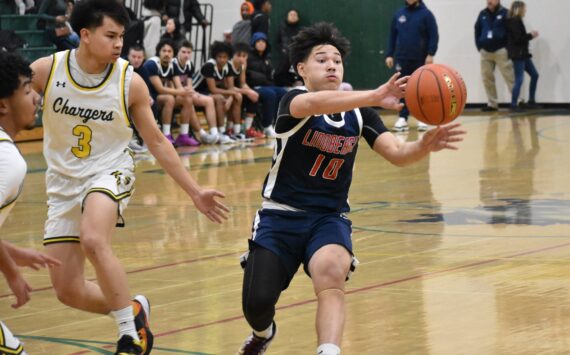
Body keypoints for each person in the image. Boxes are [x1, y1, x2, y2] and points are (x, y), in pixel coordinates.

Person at [237, 22, 465, 355]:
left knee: (331, 273)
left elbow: (398, 153)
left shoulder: (359, 114)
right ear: (301, 69)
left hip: (328, 218)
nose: (331, 65)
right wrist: (374, 95)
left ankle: (328, 351)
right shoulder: (293, 101)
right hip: (280, 216)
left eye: (336, 60)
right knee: (256, 304)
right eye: (321, 59)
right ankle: (263, 332)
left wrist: (424, 145)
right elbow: (316, 105)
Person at [29, 0, 229, 354]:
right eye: (111, 35)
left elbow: (156, 141)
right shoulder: (46, 70)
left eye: (122, 36)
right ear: (85, 36)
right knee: (67, 290)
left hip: (110, 171)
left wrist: (195, 191)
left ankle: (128, 336)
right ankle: (132, 310)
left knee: (93, 238)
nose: (120, 43)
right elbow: (14, 104)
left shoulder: (129, 81)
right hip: (62, 183)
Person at [0, 51, 61, 355]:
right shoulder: (8, 160)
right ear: (2, 105)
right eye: (27, 90)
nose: (36, 98)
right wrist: (12, 271)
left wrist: (12, 252)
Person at [385, 0, 438, 132]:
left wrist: (431, 53)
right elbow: (392, 36)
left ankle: (422, 117)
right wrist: (389, 54)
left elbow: (434, 35)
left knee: (421, 88)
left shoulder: (426, 14)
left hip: (421, 58)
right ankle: (403, 118)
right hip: (402, 58)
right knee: (403, 88)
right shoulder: (399, 14)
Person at [143, 38, 202, 146]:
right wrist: (180, 92)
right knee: (170, 98)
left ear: (173, 53)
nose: (167, 54)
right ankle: (166, 135)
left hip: (161, 97)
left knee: (187, 99)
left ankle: (183, 135)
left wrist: (186, 91)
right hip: (148, 97)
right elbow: (160, 89)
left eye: (169, 51)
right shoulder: (152, 64)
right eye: (164, 51)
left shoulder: (172, 65)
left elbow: (178, 86)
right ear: (158, 52)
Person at [193, 41, 245, 141]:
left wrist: (230, 98)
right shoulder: (209, 66)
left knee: (238, 97)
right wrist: (231, 94)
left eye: (225, 57)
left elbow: (231, 87)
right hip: (198, 91)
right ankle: (221, 132)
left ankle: (236, 131)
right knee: (220, 98)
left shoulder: (228, 66)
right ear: (215, 56)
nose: (222, 59)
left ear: (228, 57)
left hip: (210, 93)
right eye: (219, 57)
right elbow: (213, 89)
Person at [173, 40, 220, 144]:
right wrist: (190, 92)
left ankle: (214, 133)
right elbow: (178, 87)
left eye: (189, 52)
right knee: (189, 101)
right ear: (178, 52)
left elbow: (190, 84)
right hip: (175, 94)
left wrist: (192, 91)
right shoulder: (173, 63)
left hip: (186, 93)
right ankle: (202, 134)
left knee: (209, 100)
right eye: (183, 52)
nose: (186, 55)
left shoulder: (189, 64)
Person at [475, 0, 515, 112]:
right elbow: (477, 29)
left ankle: (517, 101)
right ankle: (492, 103)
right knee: (487, 78)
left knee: (510, 77)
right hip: (485, 52)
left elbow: (511, 31)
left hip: (501, 51)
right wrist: (479, 46)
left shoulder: (506, 13)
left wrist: (507, 48)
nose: (489, 1)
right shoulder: (482, 13)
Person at [246, 32, 287, 138]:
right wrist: (262, 78)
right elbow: (248, 74)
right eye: (258, 41)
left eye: (263, 41)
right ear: (253, 43)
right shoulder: (248, 57)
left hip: (265, 86)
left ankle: (276, 123)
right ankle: (266, 126)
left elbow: (269, 77)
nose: (261, 44)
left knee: (282, 92)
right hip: (252, 87)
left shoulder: (266, 59)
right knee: (270, 94)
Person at [506, 0, 539, 112]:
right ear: (519, 9)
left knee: (534, 75)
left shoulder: (517, 21)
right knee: (519, 80)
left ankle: (531, 101)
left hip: (523, 54)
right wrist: (531, 35)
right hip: (518, 55)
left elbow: (519, 37)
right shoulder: (514, 21)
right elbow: (518, 39)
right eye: (524, 9)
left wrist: (529, 35)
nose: (525, 11)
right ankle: (513, 105)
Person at [230, 42, 265, 139]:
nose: (241, 58)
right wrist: (247, 91)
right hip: (224, 91)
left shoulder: (242, 66)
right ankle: (231, 128)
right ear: (232, 55)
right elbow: (229, 87)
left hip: (235, 90)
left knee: (253, 96)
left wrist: (250, 91)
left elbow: (242, 83)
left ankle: (248, 128)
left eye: (244, 56)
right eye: (238, 55)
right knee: (239, 96)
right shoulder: (229, 66)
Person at [274, 8, 302, 87]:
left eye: (294, 15)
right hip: (284, 56)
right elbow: (277, 41)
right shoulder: (282, 28)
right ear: (287, 17)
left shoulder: (301, 30)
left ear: (298, 18)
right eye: (291, 15)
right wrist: (282, 50)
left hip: (296, 55)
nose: (293, 16)